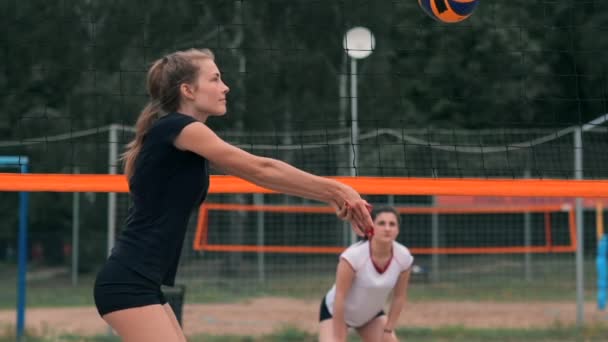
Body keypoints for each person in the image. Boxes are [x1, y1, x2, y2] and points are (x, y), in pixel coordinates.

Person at [93, 48, 375, 342]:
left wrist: (330, 196)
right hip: (128, 282)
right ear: (188, 90)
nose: (225, 86)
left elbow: (261, 176)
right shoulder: (180, 128)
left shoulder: (182, 136)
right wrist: (338, 189)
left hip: (141, 282)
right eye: (215, 79)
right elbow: (261, 168)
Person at [319, 206, 413, 342]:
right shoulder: (353, 256)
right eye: (381, 223)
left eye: (392, 224)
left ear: (398, 229)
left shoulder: (403, 257)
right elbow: (339, 297)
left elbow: (399, 297)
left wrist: (388, 329)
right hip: (334, 313)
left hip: (370, 315)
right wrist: (339, 336)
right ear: (371, 227)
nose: (387, 228)